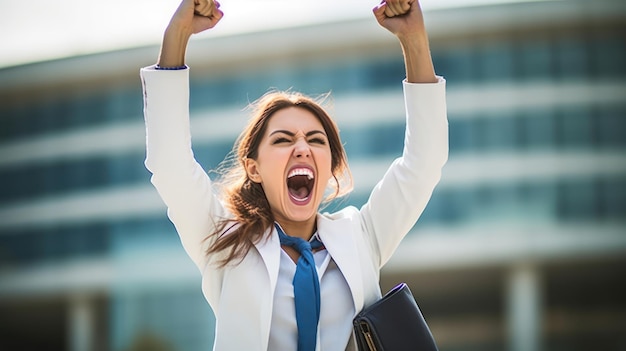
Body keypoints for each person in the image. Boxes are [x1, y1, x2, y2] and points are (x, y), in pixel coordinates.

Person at [140, 0, 448, 350]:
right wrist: (177, 35)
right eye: (283, 139)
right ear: (253, 168)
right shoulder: (224, 239)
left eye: (316, 140)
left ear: (329, 166)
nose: (302, 147)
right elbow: (170, 164)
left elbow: (424, 161)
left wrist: (414, 39)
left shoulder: (360, 235)